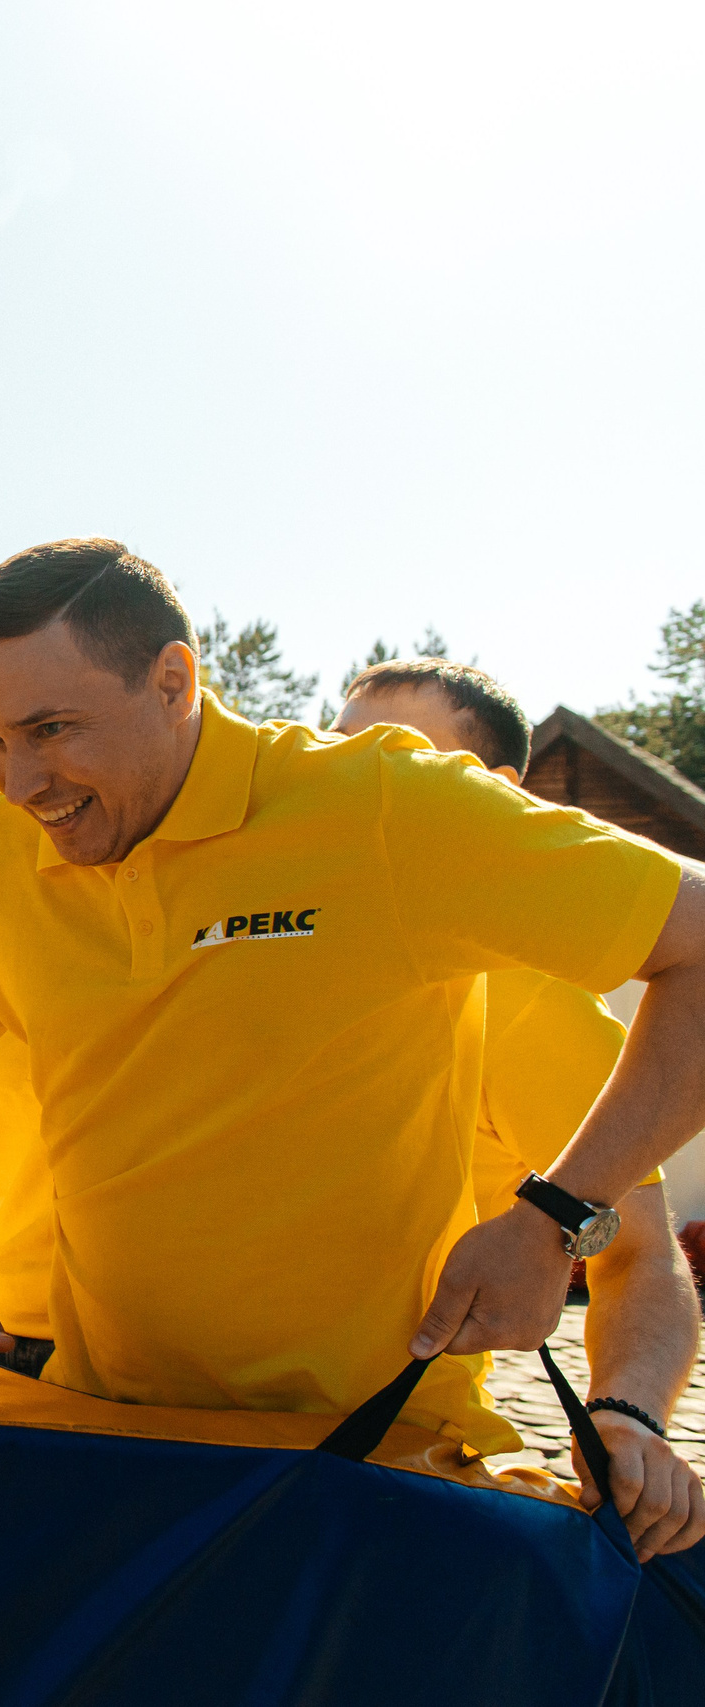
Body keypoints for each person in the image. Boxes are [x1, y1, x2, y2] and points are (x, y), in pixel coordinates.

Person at [0, 538, 705, 1458]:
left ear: (174, 681)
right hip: (109, 1431)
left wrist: (556, 1218)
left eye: (52, 729)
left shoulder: (384, 803)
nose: (24, 782)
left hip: (363, 1458)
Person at [336, 656, 703, 1558]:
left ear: (494, 798)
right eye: (337, 761)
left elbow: (644, 1260)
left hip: (380, 1473)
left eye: (399, 763)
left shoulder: (524, 1000)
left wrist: (624, 1415)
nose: (355, 793)